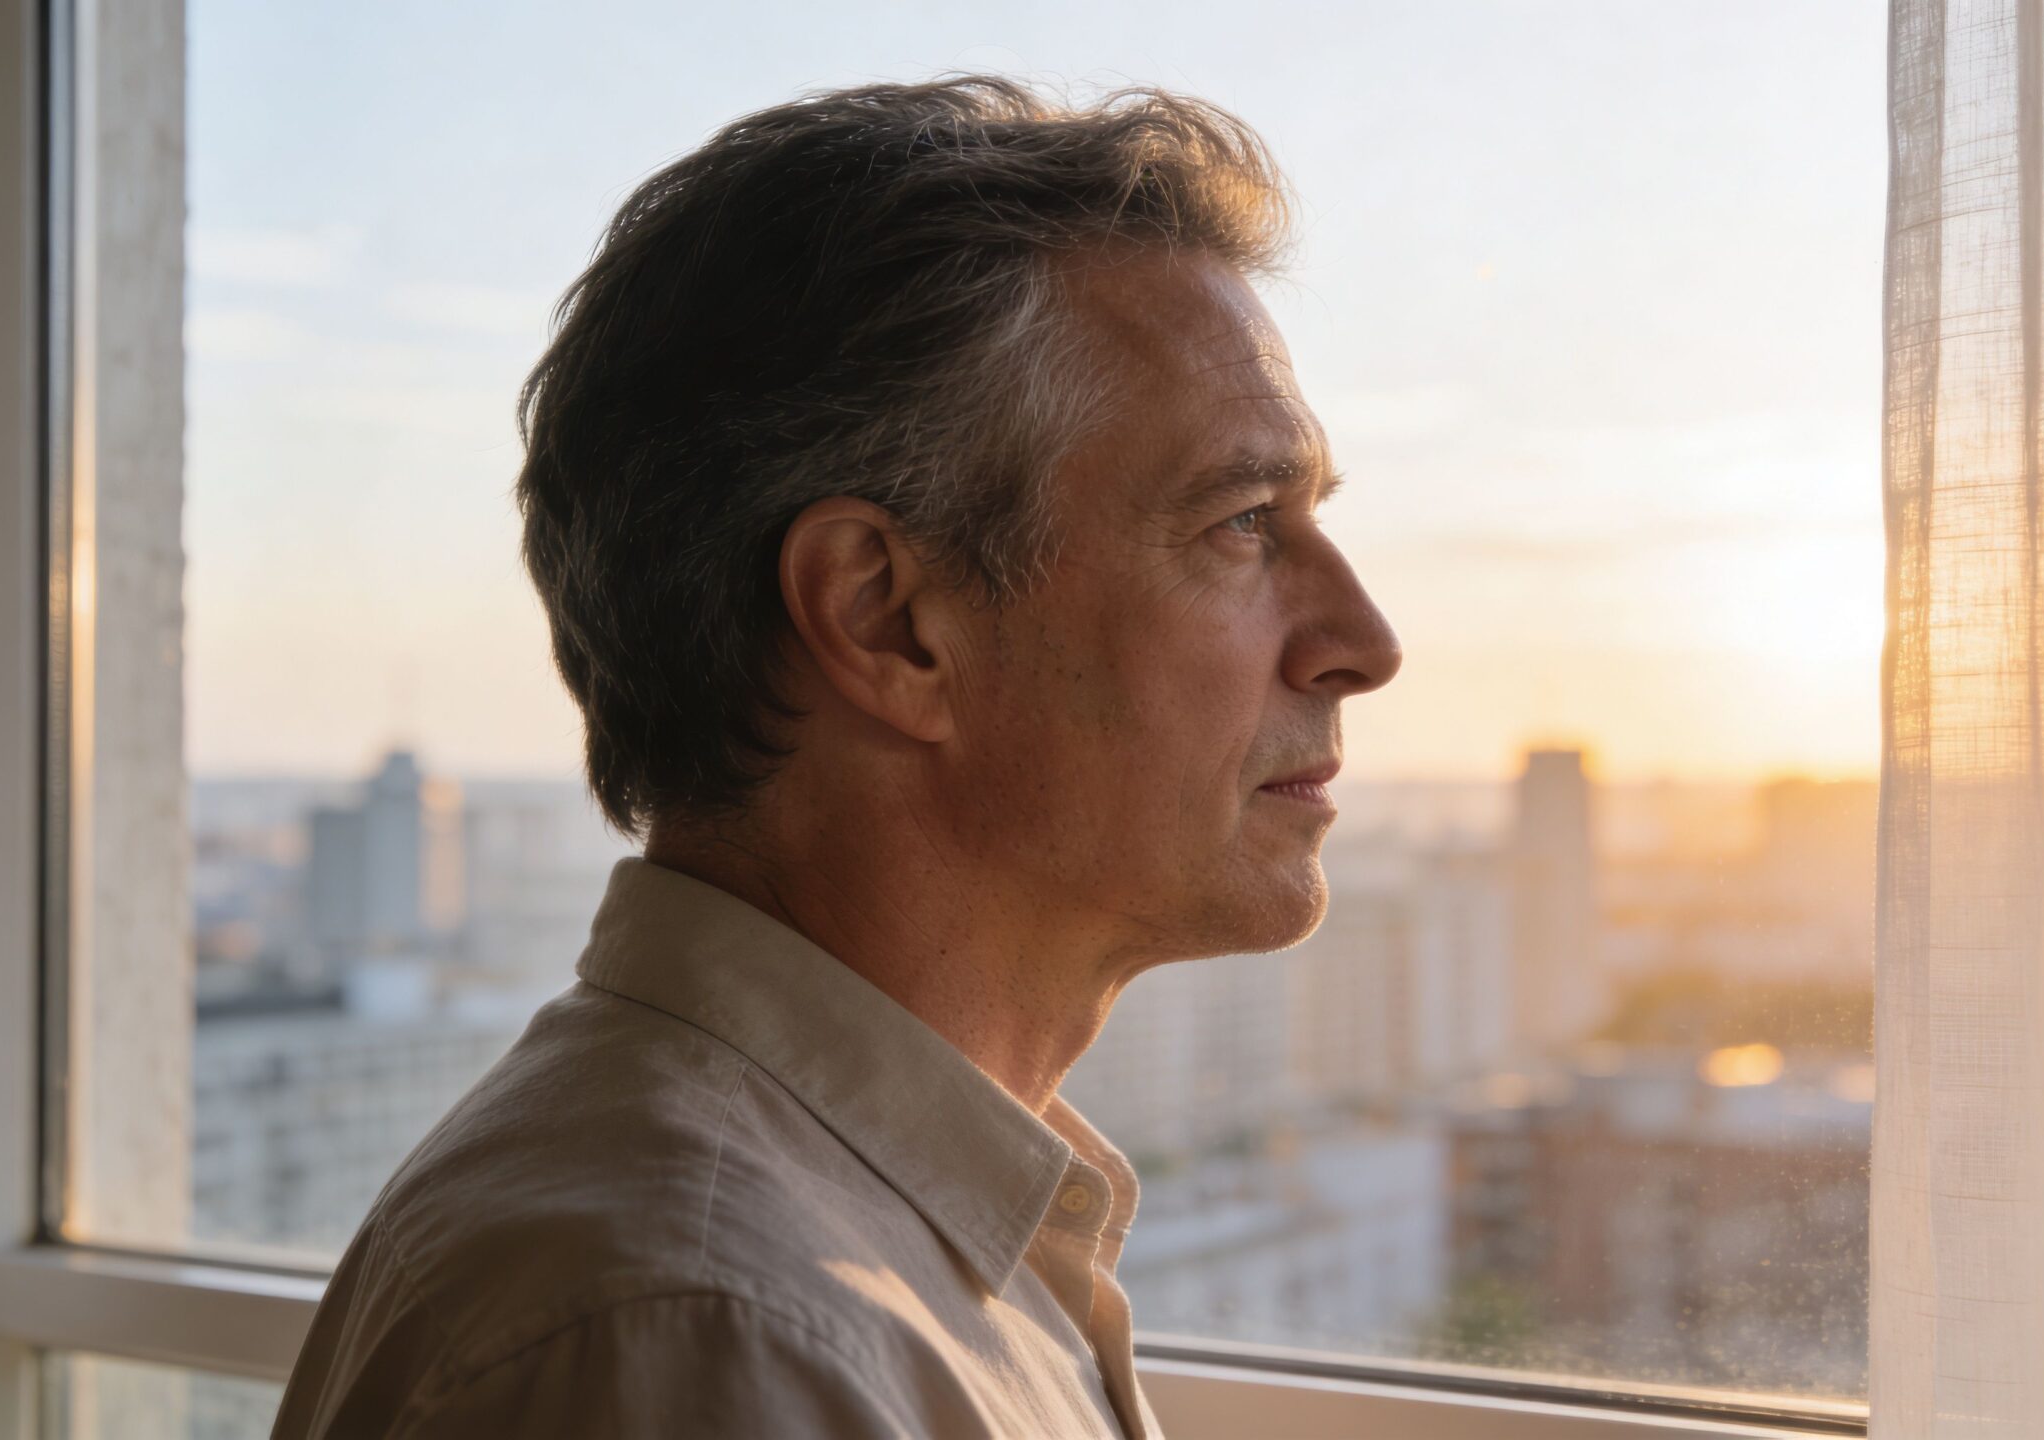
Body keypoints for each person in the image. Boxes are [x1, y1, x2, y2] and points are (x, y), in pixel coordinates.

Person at [271, 75, 1400, 1440]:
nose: (1364, 643)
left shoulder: (843, 1247)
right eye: (1243, 522)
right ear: (886, 620)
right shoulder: (707, 1341)